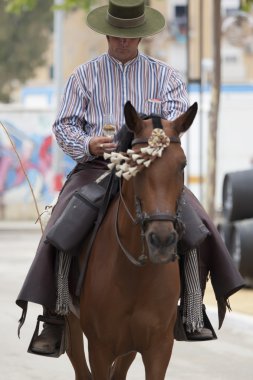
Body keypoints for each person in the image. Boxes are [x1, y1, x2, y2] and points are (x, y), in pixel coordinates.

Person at [16, 0, 244, 357]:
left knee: (197, 223)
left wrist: (154, 141)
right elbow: (63, 126)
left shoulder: (165, 76)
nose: (124, 42)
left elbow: (175, 122)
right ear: (107, 33)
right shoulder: (83, 76)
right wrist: (88, 143)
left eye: (131, 36)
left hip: (151, 168)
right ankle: (55, 315)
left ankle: (192, 309)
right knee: (61, 224)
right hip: (97, 167)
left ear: (141, 36)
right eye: (118, 36)